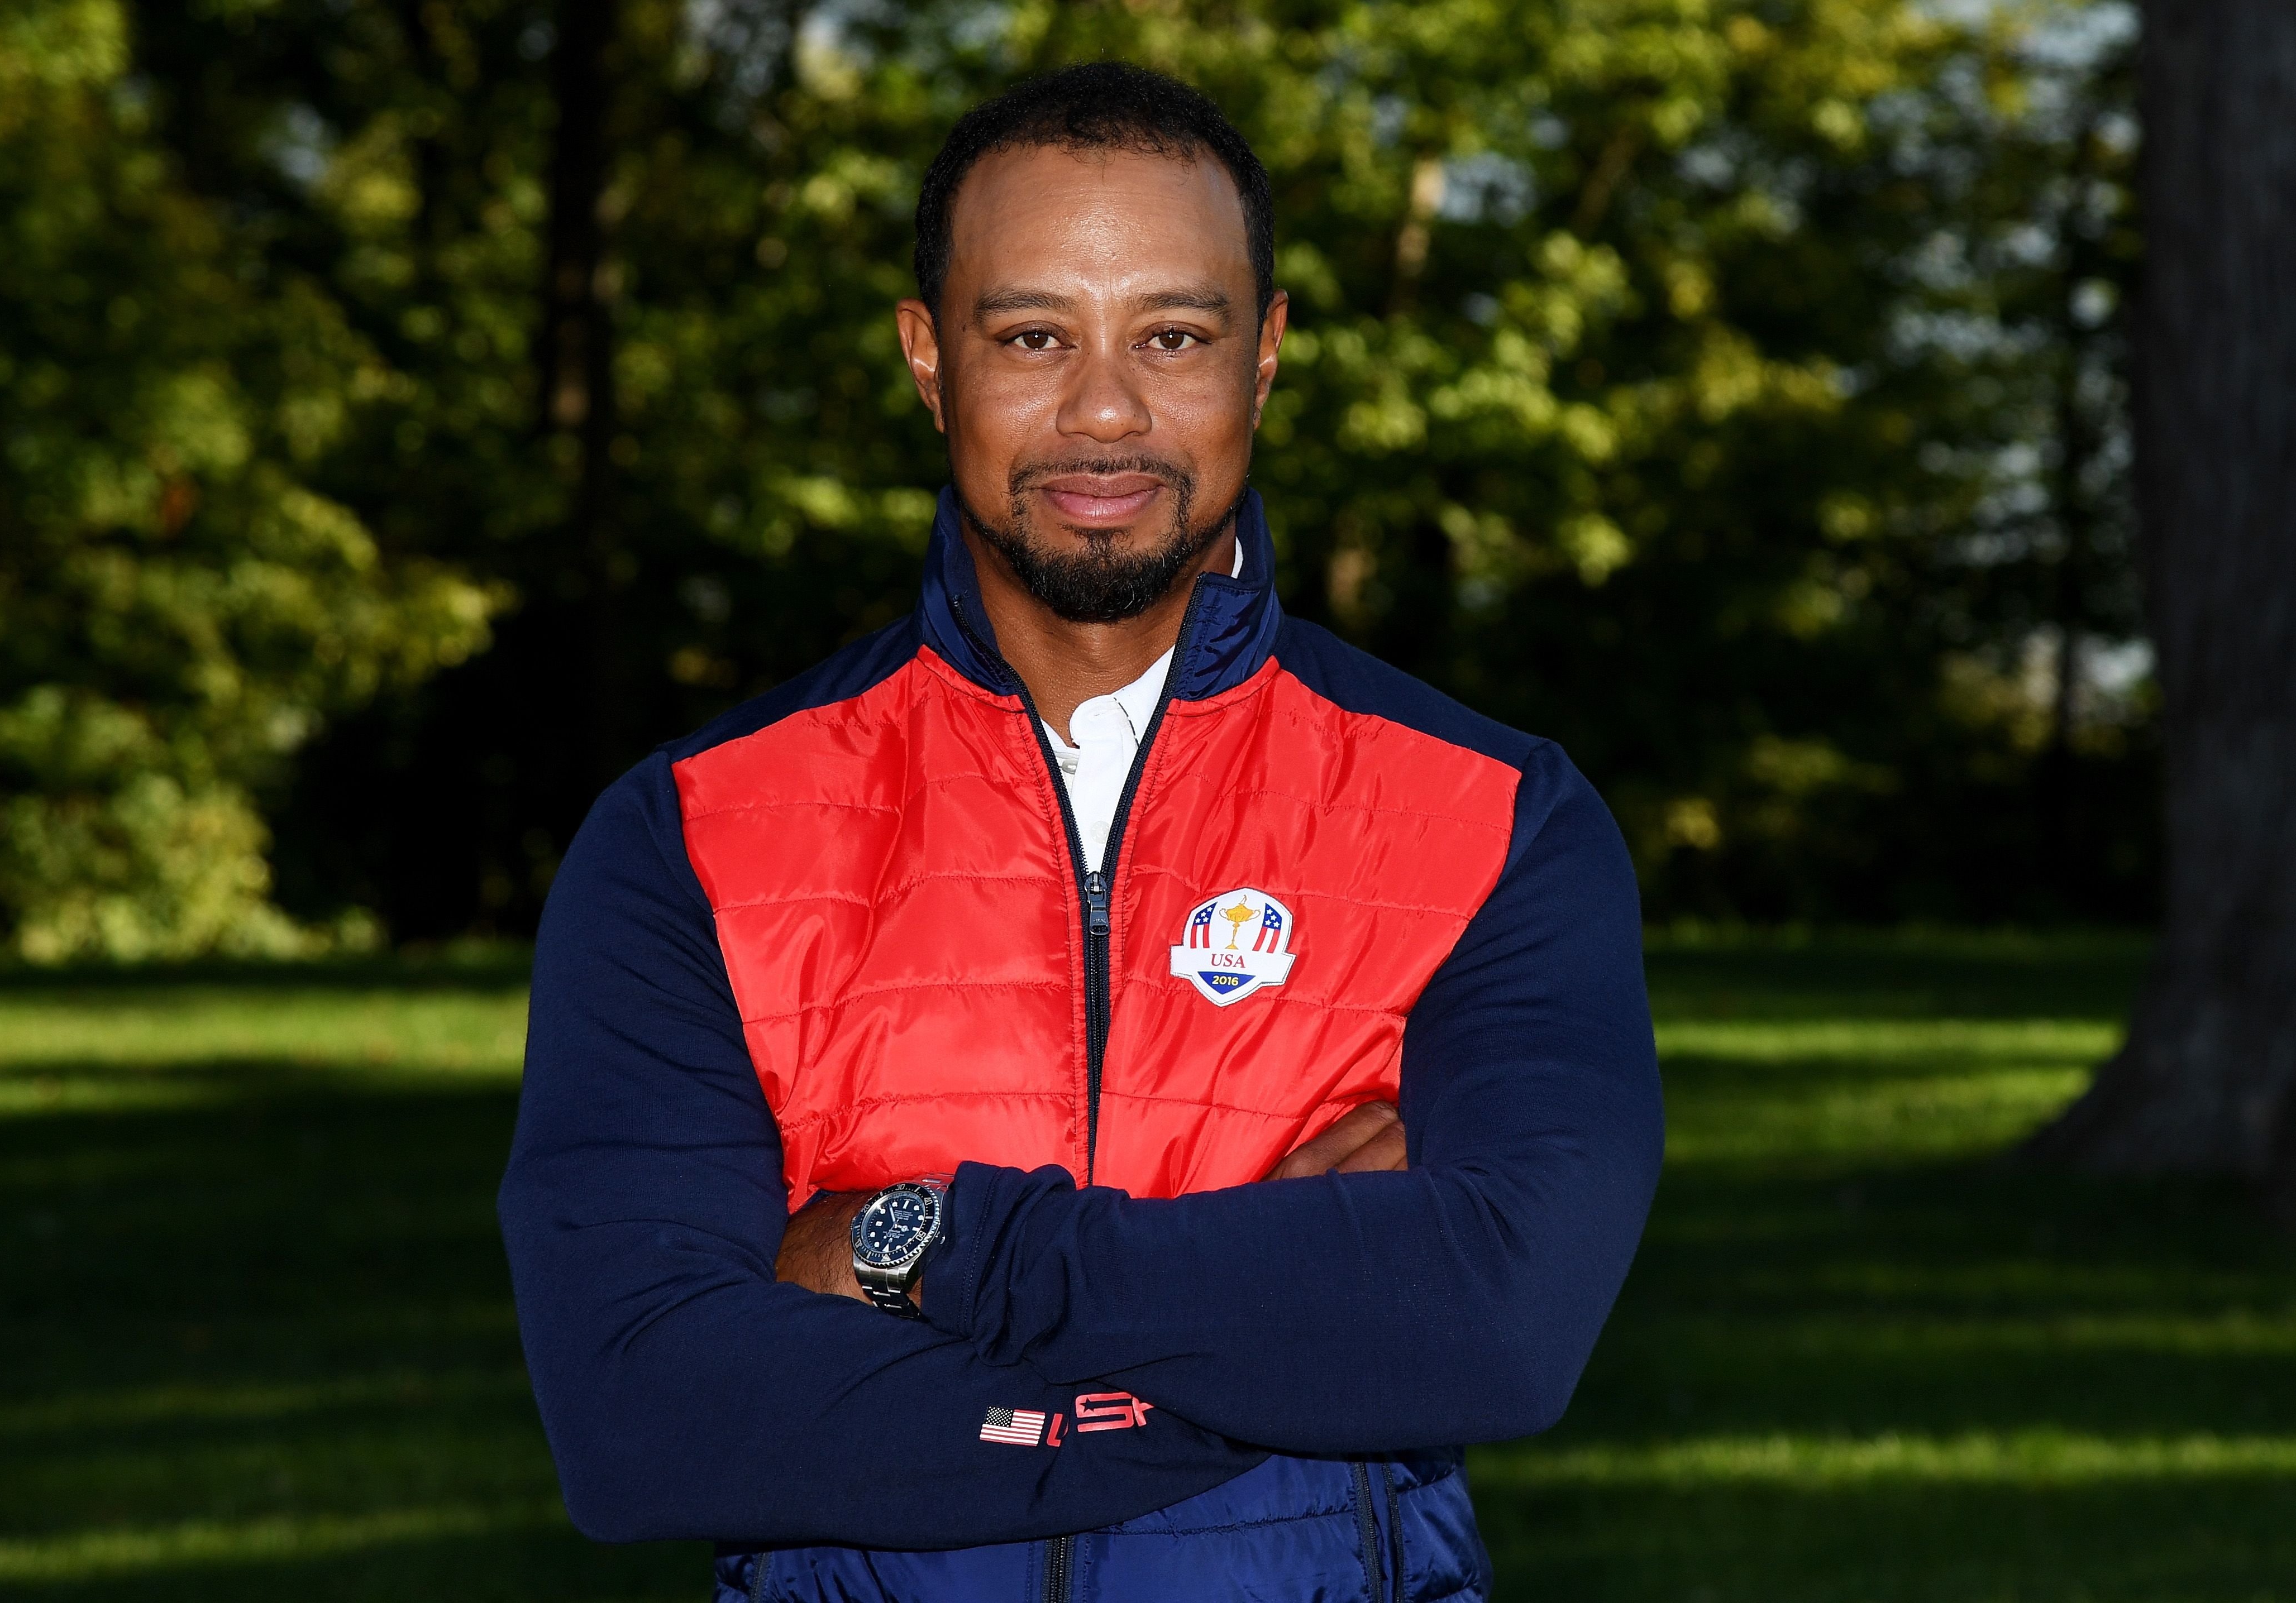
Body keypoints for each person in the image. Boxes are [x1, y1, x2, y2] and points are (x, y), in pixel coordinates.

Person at [498, 61, 1662, 1603]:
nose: (1104, 412)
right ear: (929, 360)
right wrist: (1259, 1353)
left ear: (1262, 358)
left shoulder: (1493, 815)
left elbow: (1499, 1329)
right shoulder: (694, 834)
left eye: (1172, 337)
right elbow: (645, 1413)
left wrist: (917, 1242)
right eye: (1032, 336)